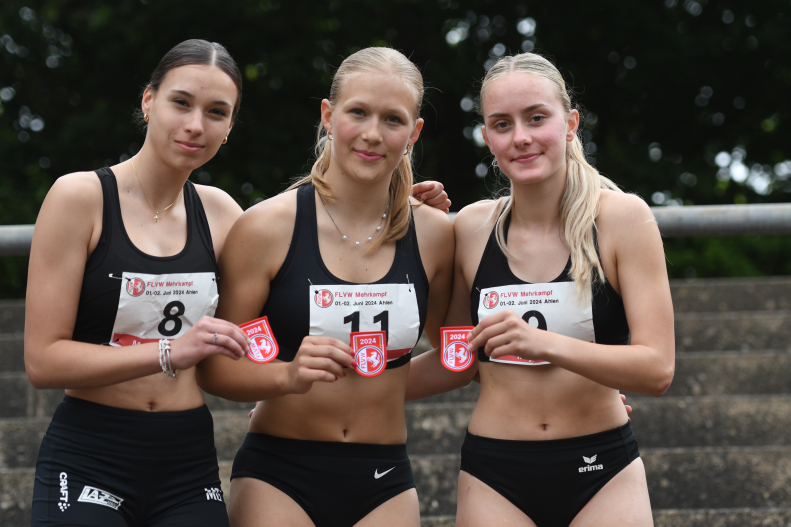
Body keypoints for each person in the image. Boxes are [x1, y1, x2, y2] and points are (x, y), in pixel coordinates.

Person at [24, 39, 450, 527]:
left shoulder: (225, 214)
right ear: (148, 100)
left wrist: (393, 200)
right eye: (181, 102)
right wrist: (174, 354)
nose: (194, 125)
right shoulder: (80, 196)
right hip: (93, 448)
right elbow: (41, 360)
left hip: (186, 458)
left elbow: (276, 300)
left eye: (216, 112)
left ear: (229, 128)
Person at [407, 52, 675, 527]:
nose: (522, 137)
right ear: (487, 137)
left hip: (602, 466)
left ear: (570, 123)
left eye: (536, 118)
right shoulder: (470, 228)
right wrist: (412, 231)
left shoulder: (622, 218)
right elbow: (454, 354)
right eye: (502, 124)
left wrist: (546, 344)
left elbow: (657, 368)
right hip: (495, 472)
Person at [196, 47, 455, 527]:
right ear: (328, 115)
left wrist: (582, 394)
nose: (372, 134)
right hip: (279, 473)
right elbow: (216, 368)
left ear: (414, 133)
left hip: (385, 477)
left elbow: (459, 356)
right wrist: (286, 376)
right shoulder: (266, 228)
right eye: (358, 112)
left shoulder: (437, 234)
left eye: (393, 120)